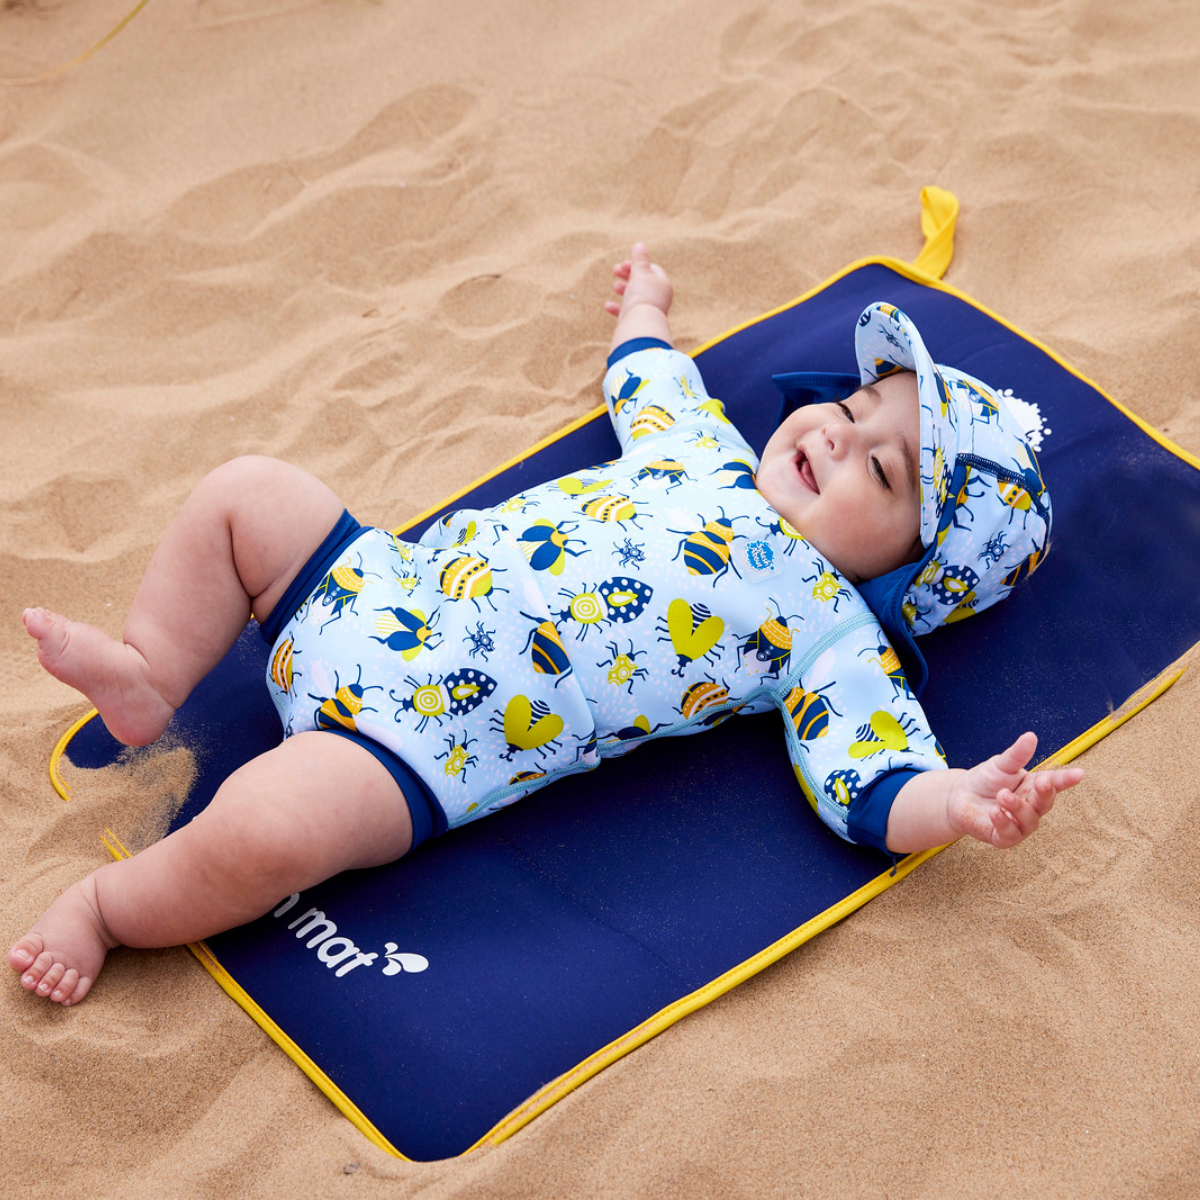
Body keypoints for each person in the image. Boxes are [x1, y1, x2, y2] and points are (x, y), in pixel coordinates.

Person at [10, 244, 1084, 1007]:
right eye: (850, 408)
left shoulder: (834, 634)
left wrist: (955, 803)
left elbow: (873, 779)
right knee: (251, 493)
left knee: (266, 836)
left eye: (883, 471)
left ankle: (107, 907)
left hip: (417, 742)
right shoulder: (705, 451)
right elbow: (651, 382)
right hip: (372, 589)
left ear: (911, 577)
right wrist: (645, 309)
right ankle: (151, 671)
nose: (838, 437)